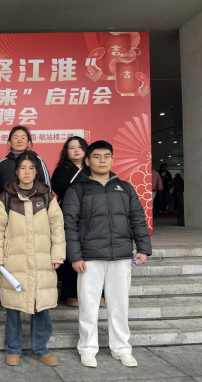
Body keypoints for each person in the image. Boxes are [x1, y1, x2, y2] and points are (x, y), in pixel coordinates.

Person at [63, 140, 152, 368]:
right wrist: (75, 256)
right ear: (87, 160)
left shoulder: (125, 188)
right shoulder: (78, 189)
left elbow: (137, 218)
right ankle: (87, 348)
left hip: (121, 256)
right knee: (88, 305)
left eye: (106, 156)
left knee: (119, 305)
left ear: (112, 159)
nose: (102, 160)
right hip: (90, 258)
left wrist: (143, 248)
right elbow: (69, 224)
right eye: (97, 156)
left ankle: (121, 348)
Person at [0, 153, 65, 368]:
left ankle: (40, 349)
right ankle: (13, 349)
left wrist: (58, 254)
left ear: (36, 171)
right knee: (13, 307)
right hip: (14, 261)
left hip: (42, 259)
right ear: (16, 171)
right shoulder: (5, 199)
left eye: (31, 168)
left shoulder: (47, 198)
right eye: (23, 167)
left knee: (41, 305)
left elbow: (58, 228)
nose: (27, 172)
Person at [51, 136, 97, 308]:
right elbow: (61, 189)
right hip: (69, 215)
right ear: (66, 152)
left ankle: (96, 293)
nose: (76, 150)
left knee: (92, 254)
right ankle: (70, 293)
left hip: (91, 216)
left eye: (80, 147)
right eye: (72, 148)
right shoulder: (61, 170)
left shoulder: (93, 168)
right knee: (71, 252)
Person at [0, 126, 50, 199]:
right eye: (16, 138)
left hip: (34, 204)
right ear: (10, 140)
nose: (19, 141)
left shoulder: (37, 160)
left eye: (23, 138)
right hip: (8, 204)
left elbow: (46, 186)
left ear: (28, 140)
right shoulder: (2, 164)